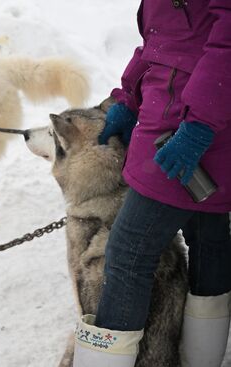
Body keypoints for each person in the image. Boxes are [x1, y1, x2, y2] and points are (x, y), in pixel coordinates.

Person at [72, 1, 231, 367]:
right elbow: (162, 39)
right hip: (179, 114)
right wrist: (129, 98)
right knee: (208, 239)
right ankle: (201, 360)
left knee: (128, 254)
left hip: (190, 124)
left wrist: (200, 125)